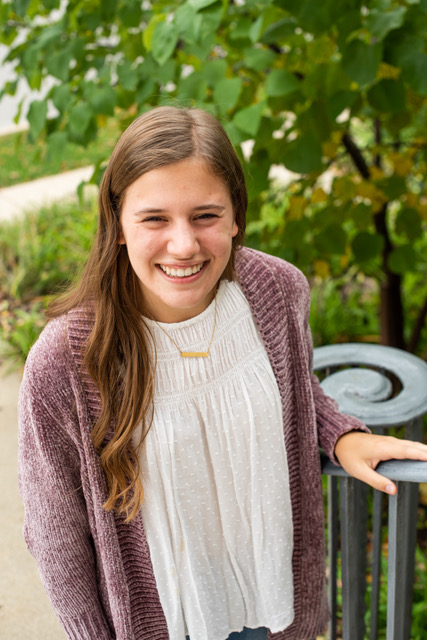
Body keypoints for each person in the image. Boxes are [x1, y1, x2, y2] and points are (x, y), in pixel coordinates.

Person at [18, 106, 427, 640]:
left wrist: (340, 435)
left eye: (206, 216)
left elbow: (295, 390)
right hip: (164, 622)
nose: (183, 244)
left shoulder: (275, 292)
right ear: (117, 223)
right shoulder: (67, 361)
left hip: (269, 604)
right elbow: (57, 535)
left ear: (236, 216)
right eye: (155, 218)